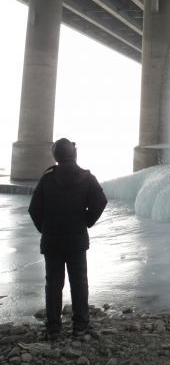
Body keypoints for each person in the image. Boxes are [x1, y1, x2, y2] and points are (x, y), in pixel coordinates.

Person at [28, 138, 107, 340]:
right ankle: (81, 327)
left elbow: (34, 209)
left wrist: (45, 229)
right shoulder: (86, 177)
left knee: (53, 284)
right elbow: (100, 202)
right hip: (76, 240)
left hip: (52, 240)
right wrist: (85, 222)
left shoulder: (47, 178)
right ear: (74, 154)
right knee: (79, 283)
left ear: (56, 156)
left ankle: (53, 329)